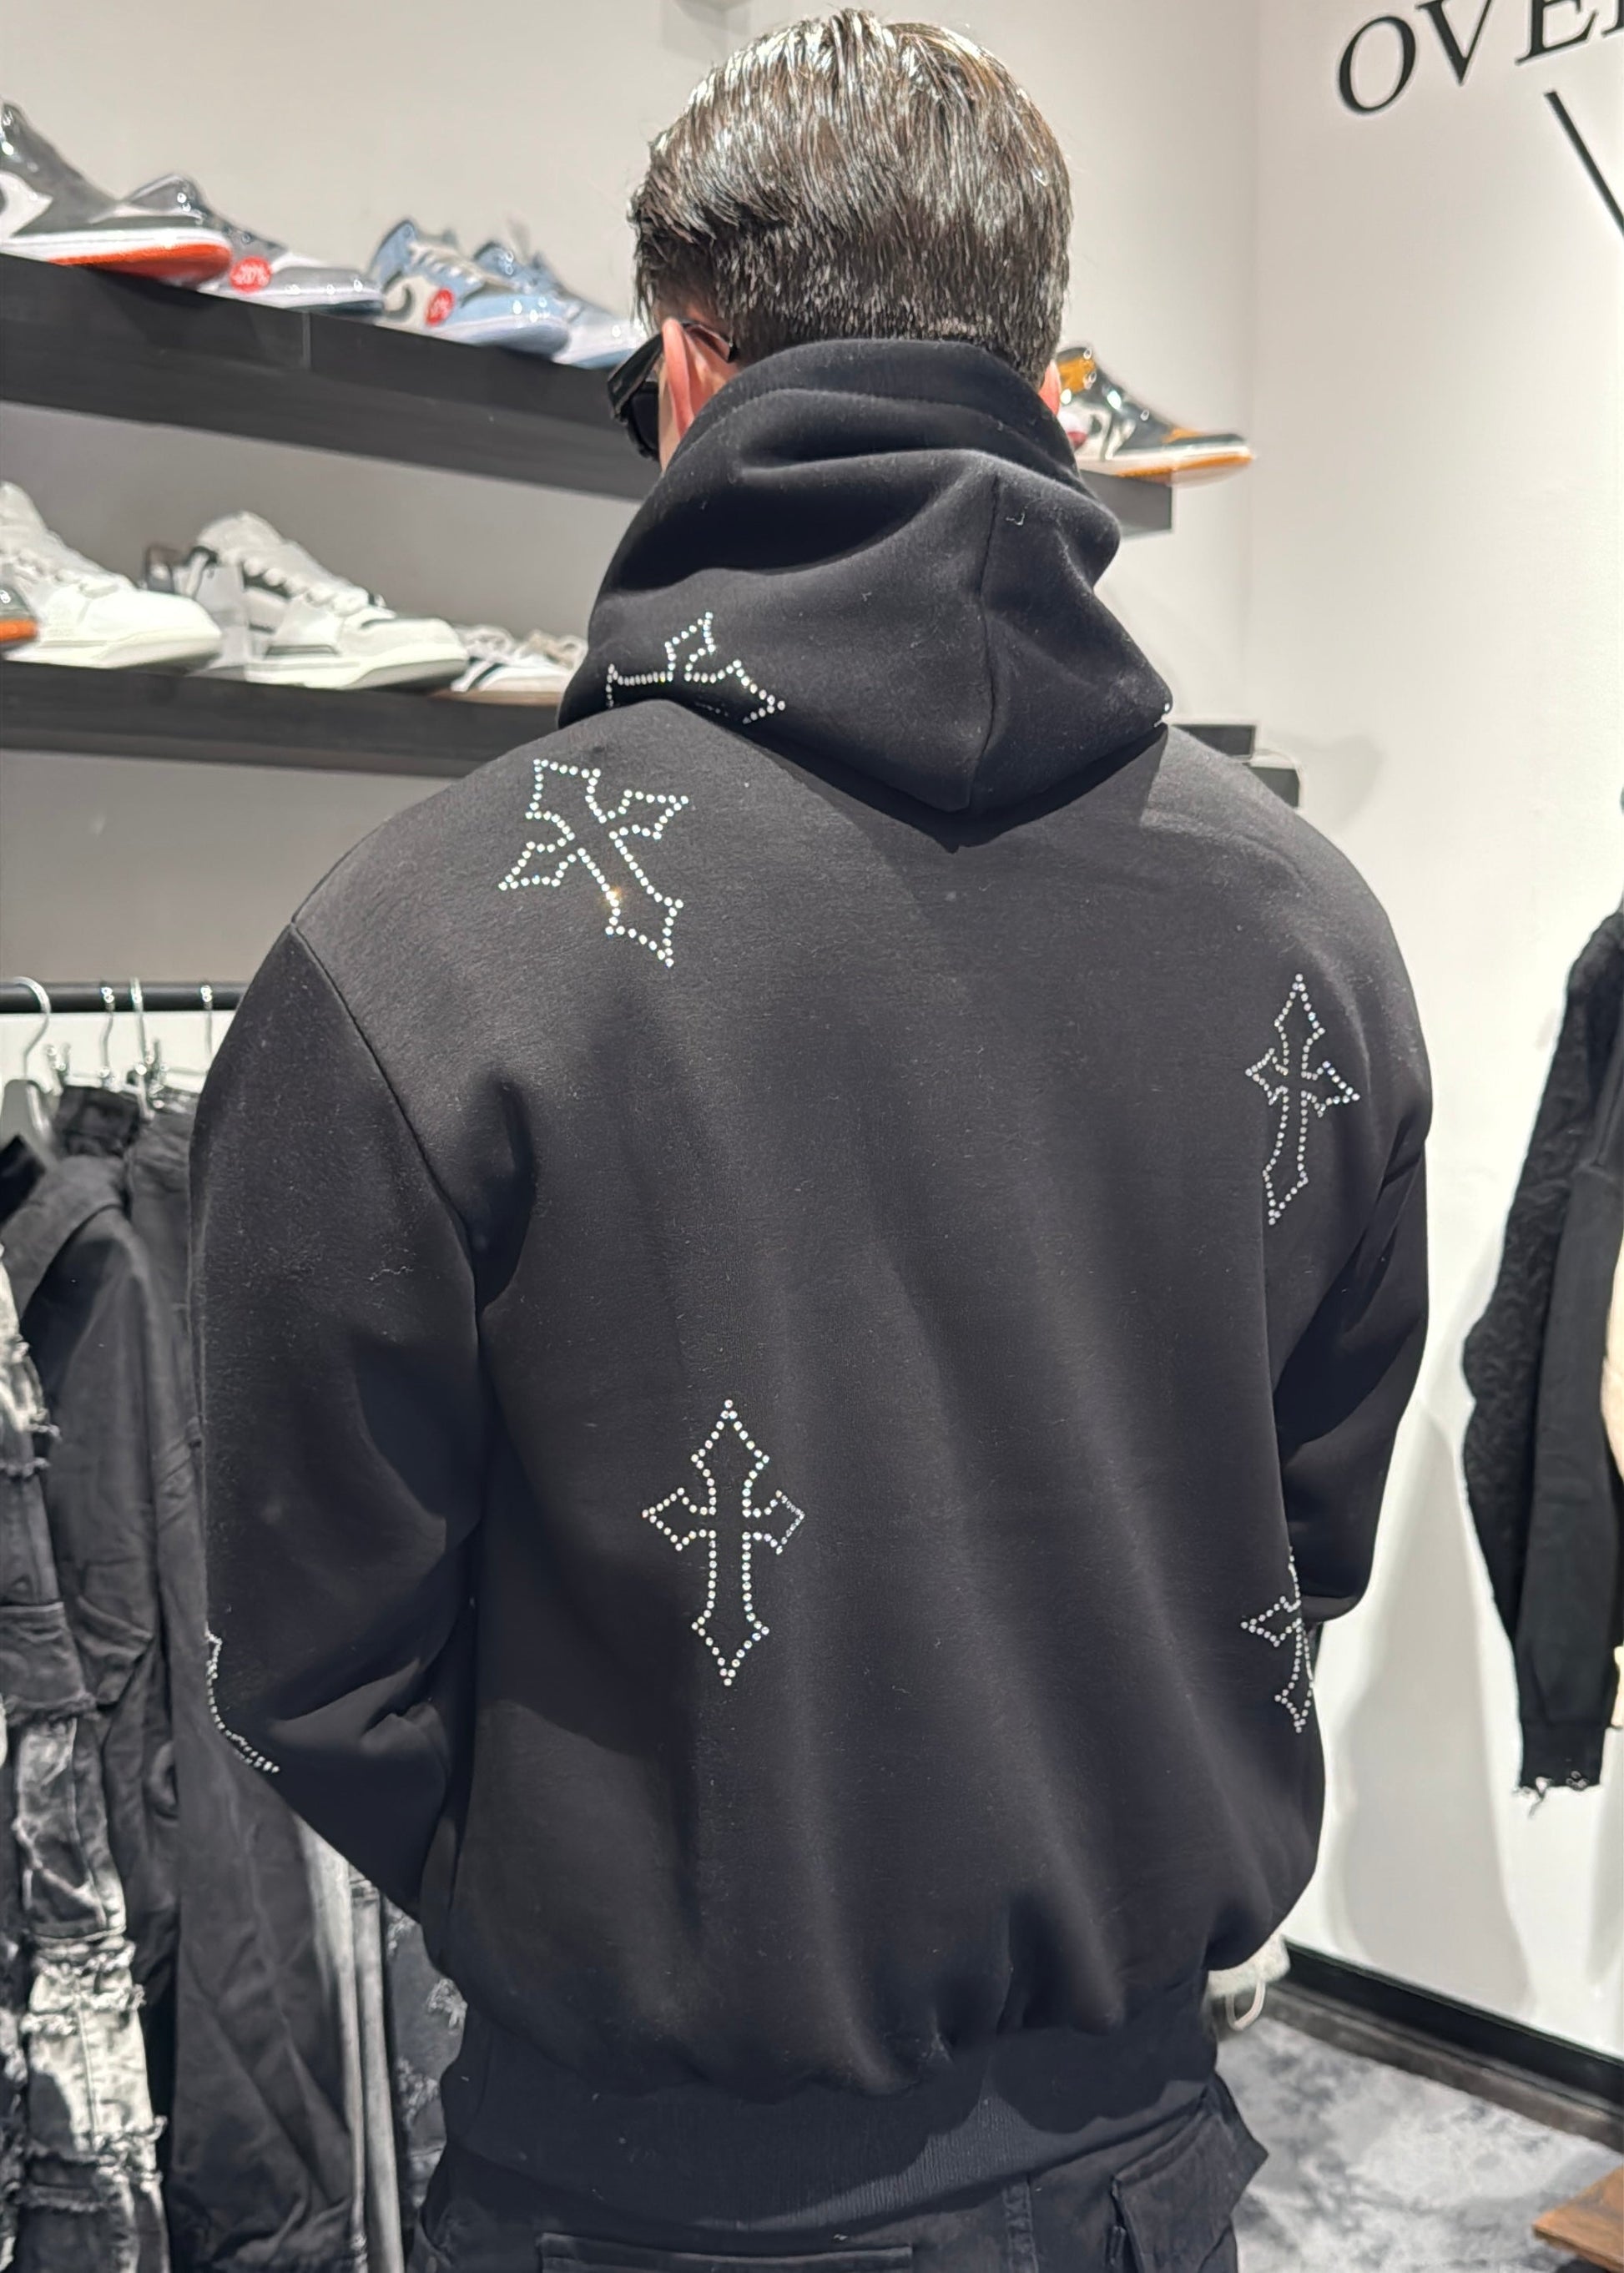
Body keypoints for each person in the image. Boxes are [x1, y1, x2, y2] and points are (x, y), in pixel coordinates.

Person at [190, 14, 1431, 2269]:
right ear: (1041, 382)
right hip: (1142, 2170)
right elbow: (1304, 1531)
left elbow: (311, 1656)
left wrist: (618, 1898)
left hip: (643, 2189)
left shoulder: (422, 952)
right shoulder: (1311, 931)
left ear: (684, 368)